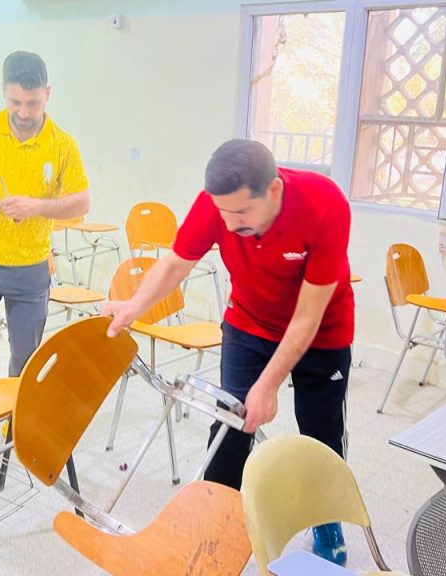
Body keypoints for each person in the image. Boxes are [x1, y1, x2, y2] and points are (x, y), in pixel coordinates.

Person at [102, 139, 355, 566]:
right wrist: (133, 307)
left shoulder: (324, 203)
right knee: (230, 423)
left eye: (242, 212)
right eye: (224, 213)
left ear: (273, 190)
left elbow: (306, 319)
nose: (231, 223)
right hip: (249, 322)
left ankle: (325, 519)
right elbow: (175, 264)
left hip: (322, 331)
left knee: (321, 434)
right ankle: (216, 522)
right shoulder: (216, 203)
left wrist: (268, 385)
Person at [0, 51, 90, 453]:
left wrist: (37, 206)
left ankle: (16, 414)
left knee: (26, 354)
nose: (23, 112)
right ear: (4, 94)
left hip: (30, 269)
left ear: (48, 94)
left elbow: (82, 202)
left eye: (33, 103)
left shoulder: (62, 144)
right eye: (15, 102)